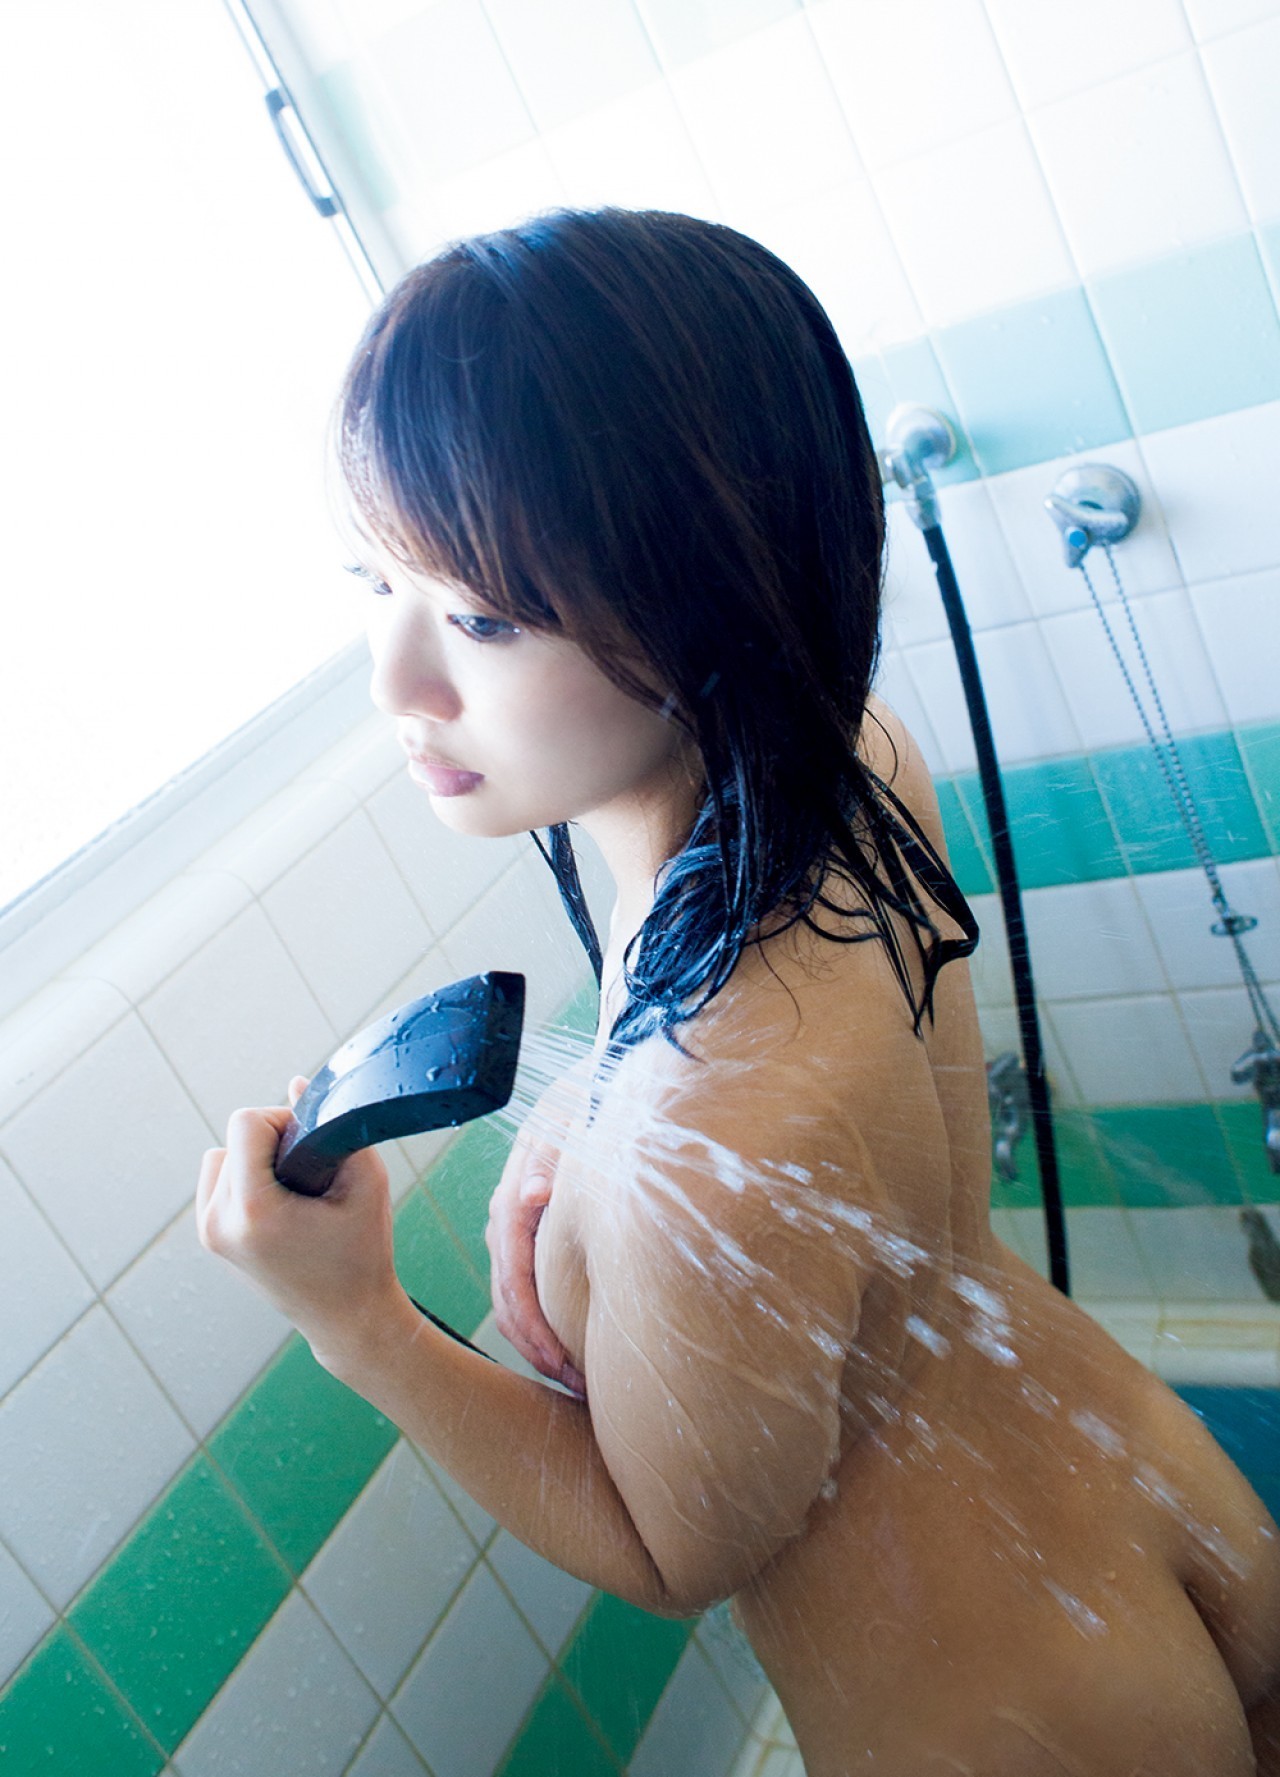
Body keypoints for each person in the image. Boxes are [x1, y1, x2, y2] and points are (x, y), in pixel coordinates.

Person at [196, 208, 1280, 1775]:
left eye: (484, 616)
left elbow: (668, 1551)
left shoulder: (717, 1141)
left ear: (702, 596)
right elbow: (769, 1077)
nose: (398, 681)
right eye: (377, 580)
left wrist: (355, 1317)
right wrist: (588, 1121)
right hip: (1138, 1485)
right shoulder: (842, 770)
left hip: (1002, 1708)